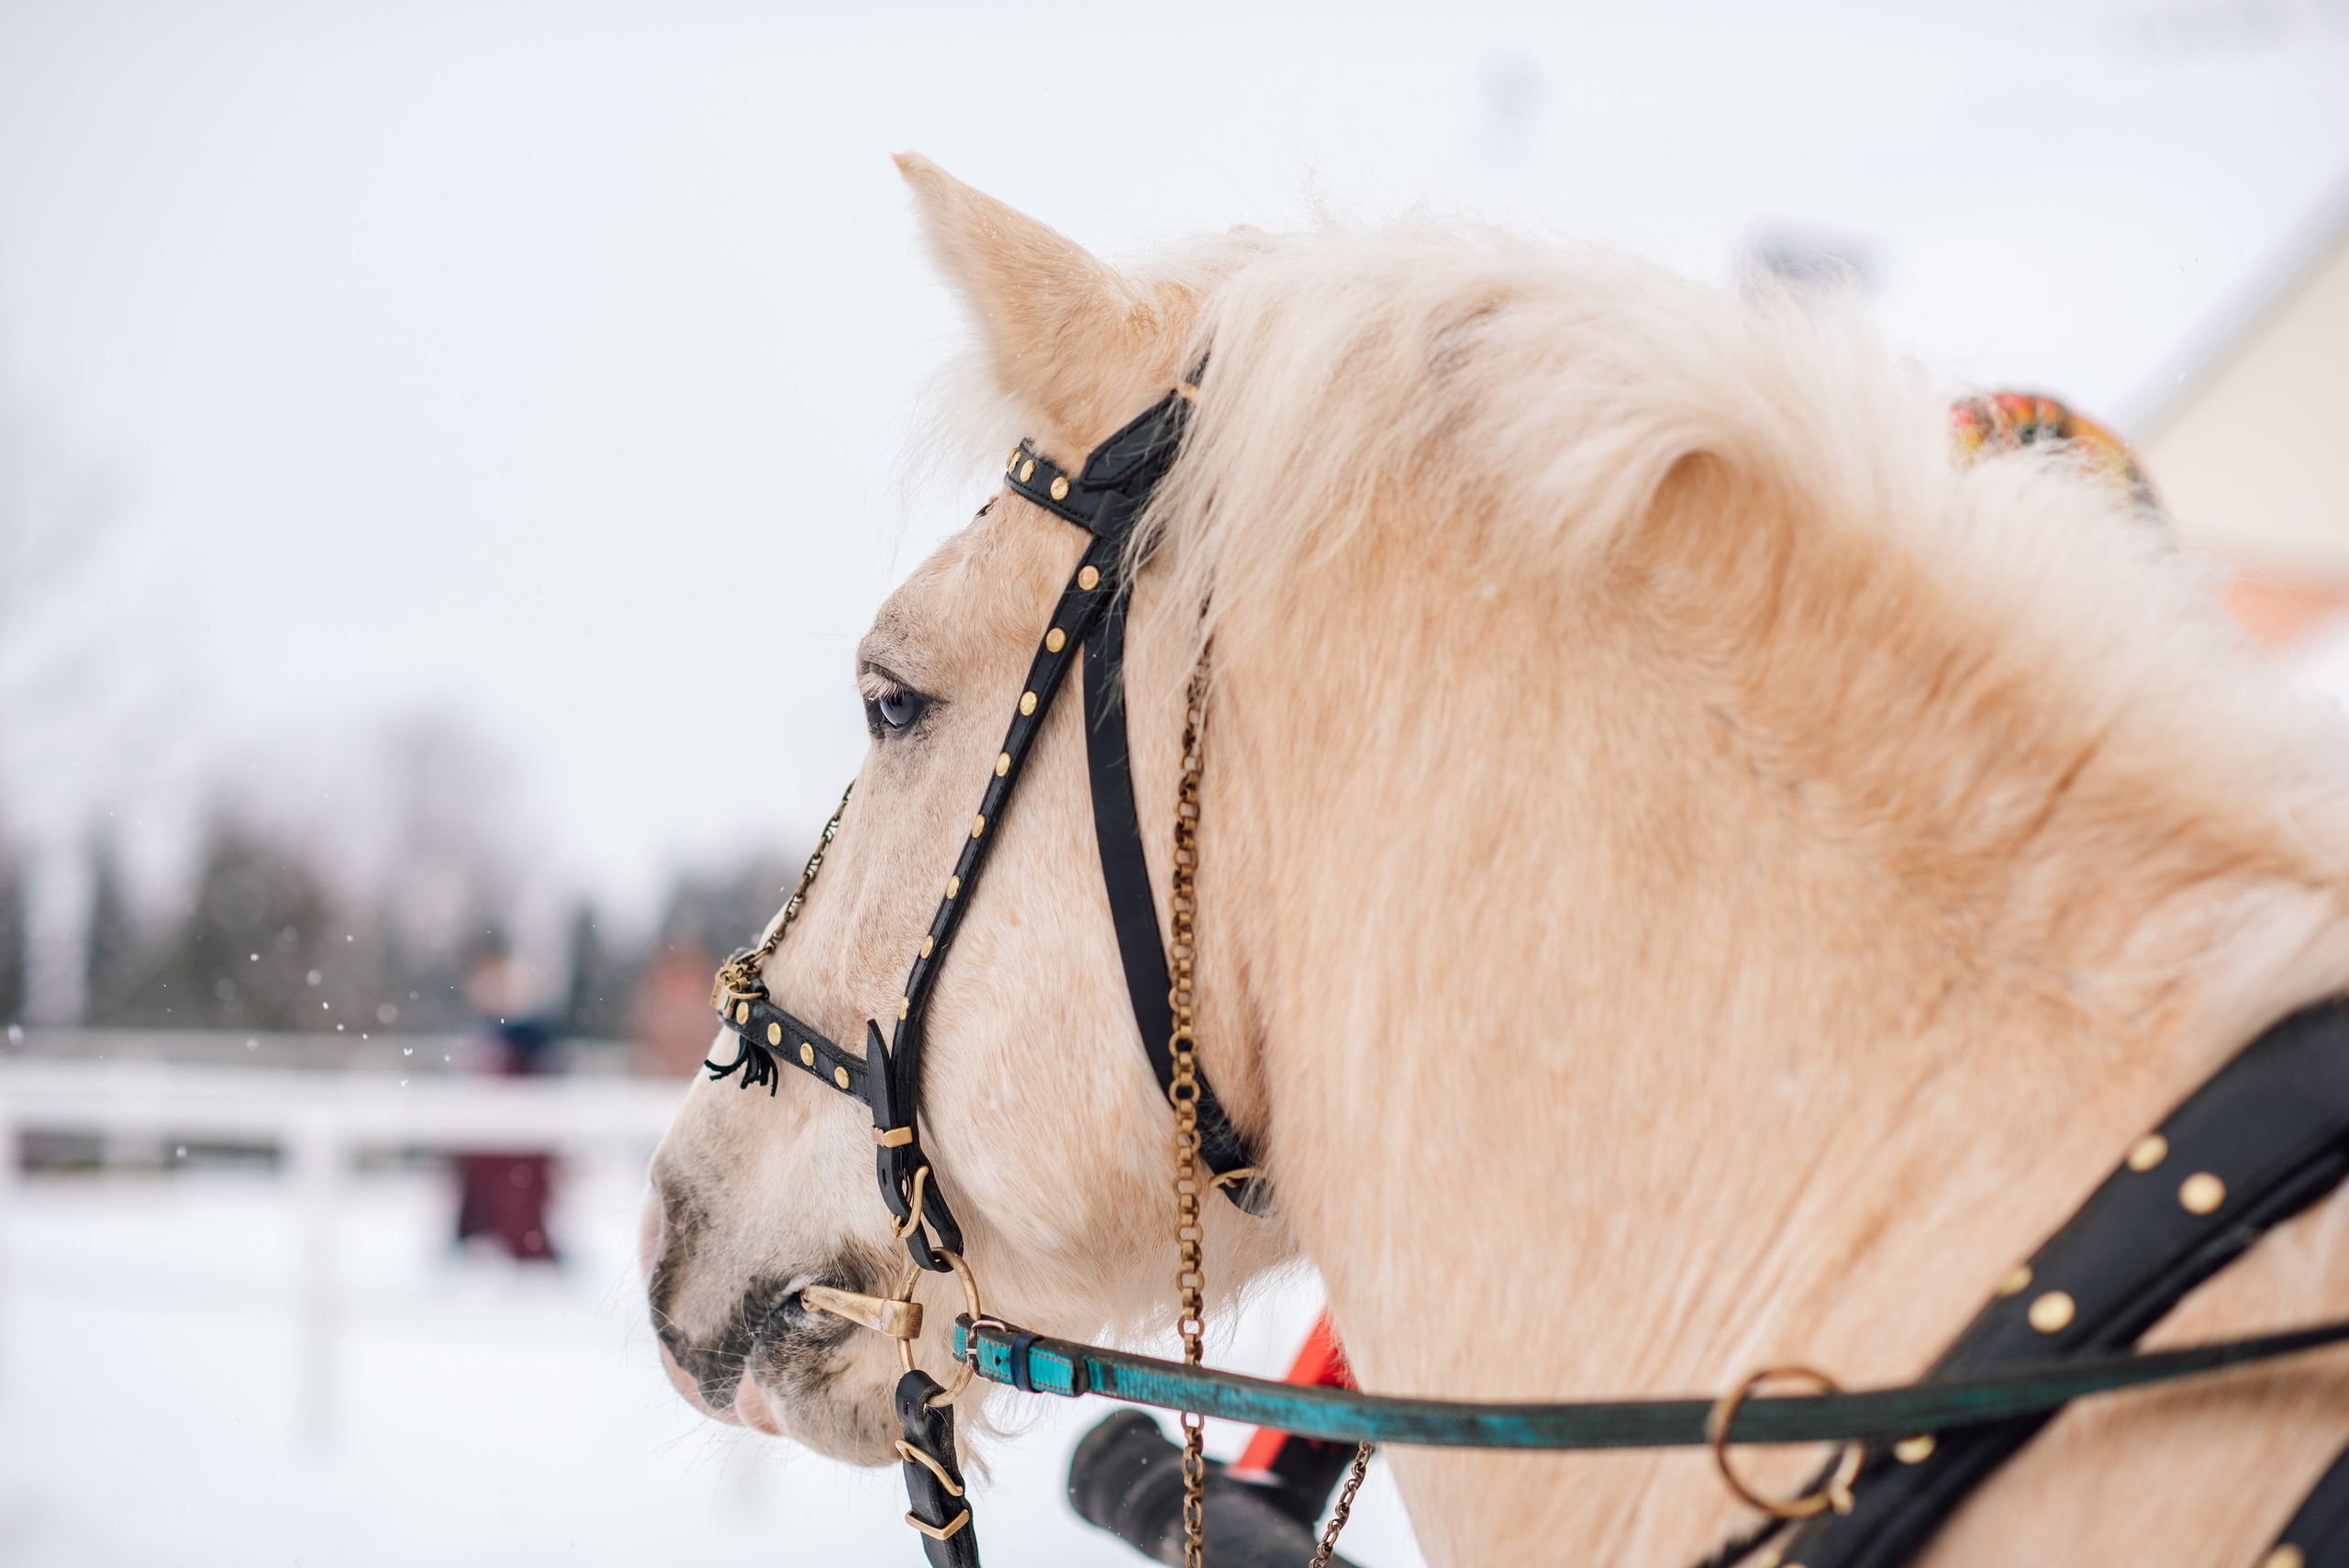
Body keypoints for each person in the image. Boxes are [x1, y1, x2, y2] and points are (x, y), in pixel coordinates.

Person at [451, 942, 562, 1263]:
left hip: (524, 1135)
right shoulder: (483, 1032)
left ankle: (522, 1241)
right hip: (486, 1135)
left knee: (521, 1191)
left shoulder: (531, 1036)